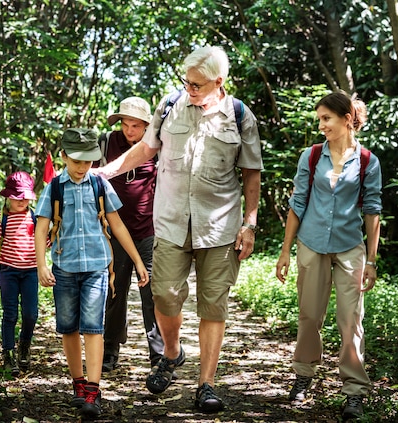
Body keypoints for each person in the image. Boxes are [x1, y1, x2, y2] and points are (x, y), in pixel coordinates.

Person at [96, 45, 263, 413]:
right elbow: (145, 150)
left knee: (213, 305)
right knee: (165, 296)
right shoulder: (170, 105)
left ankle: (206, 384)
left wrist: (250, 223)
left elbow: (252, 172)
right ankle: (172, 353)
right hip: (170, 222)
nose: (189, 88)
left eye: (197, 84)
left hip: (219, 227)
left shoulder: (239, 115)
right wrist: (102, 173)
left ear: (218, 83)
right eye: (186, 81)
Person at [275, 91, 382, 419]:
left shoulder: (368, 161)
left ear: (347, 119)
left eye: (326, 119)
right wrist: (285, 251)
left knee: (351, 320)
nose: (321, 125)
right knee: (309, 315)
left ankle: (354, 392)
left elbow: (372, 211)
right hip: (311, 244)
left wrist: (372, 261)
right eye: (319, 119)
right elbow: (297, 204)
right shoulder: (310, 156)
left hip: (351, 247)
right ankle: (303, 377)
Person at [34, 127, 149, 419]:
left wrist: (136, 260)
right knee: (69, 328)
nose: (82, 167)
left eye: (88, 161)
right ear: (64, 157)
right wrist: (41, 265)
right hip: (64, 268)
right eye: (77, 161)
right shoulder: (55, 187)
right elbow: (41, 228)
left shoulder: (100, 185)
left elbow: (118, 224)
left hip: (97, 268)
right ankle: (78, 384)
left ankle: (93, 391)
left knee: (93, 328)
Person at [99, 97, 165, 372]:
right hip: (114, 232)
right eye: (125, 124)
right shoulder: (106, 143)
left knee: (152, 294)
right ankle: (110, 349)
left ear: (147, 125)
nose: (129, 130)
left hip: (148, 230)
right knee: (115, 291)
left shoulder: (157, 147)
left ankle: (159, 356)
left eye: (135, 125)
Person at [0, 171, 40, 377]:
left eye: (26, 197)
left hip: (31, 272)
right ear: (8, 197)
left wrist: (53, 234)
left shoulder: (34, 217)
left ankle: (24, 345)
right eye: (18, 197)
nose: (22, 201)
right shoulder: (0, 219)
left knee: (31, 313)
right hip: (8, 272)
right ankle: (8, 353)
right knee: (10, 314)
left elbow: (44, 243)